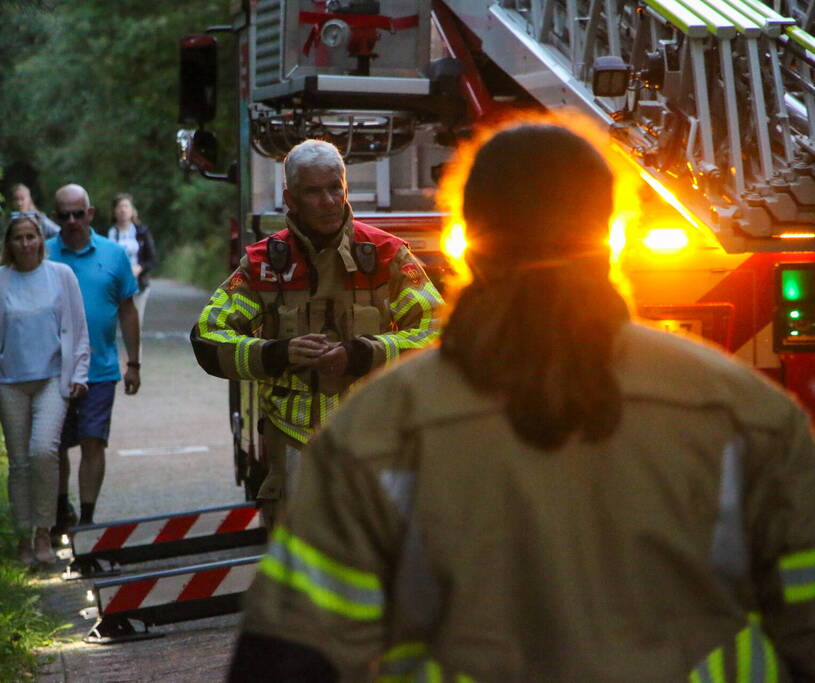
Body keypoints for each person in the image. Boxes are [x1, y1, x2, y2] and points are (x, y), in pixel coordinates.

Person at [229, 123, 815, 680]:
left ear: (468, 247)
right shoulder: (749, 414)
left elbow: (290, 658)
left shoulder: (375, 431)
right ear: (610, 237)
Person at [191, 139, 442, 524]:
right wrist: (277, 353)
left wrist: (362, 353)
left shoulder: (387, 254)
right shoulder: (264, 264)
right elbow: (208, 339)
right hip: (292, 444)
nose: (327, 201)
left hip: (375, 438)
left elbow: (437, 333)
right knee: (299, 576)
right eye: (313, 191)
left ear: (345, 188)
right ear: (290, 198)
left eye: (334, 188)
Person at [0, 213, 90, 565]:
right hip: (9, 383)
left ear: (41, 240)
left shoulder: (61, 276)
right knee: (19, 463)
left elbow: (78, 331)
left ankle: (43, 531)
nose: (25, 244)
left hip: (52, 378)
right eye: (18, 238)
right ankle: (23, 536)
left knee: (43, 452)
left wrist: (79, 373)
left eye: (30, 237)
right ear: (9, 244)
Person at [47, 184, 141, 533]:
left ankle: (87, 520)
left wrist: (133, 363)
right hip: (53, 369)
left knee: (93, 441)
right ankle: (59, 509)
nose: (71, 221)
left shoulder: (113, 254)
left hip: (100, 368)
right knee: (54, 445)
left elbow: (128, 310)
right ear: (56, 217)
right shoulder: (43, 255)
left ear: (90, 213)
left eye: (77, 213)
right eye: (64, 215)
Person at [107, 193, 156, 328]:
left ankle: (134, 350)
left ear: (132, 211)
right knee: (112, 325)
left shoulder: (142, 232)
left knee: (134, 325)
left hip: (138, 285)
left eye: (126, 206)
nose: (123, 210)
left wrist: (139, 268)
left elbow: (151, 259)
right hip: (115, 287)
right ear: (114, 211)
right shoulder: (109, 233)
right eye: (120, 207)